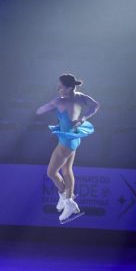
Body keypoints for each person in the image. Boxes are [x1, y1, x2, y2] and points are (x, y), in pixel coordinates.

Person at [36, 73, 99, 223]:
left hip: (65, 142)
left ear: (69, 87)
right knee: (66, 170)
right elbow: (96, 106)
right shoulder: (81, 96)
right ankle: (68, 199)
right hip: (73, 139)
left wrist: (49, 105)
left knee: (51, 172)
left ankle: (67, 199)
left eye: (60, 87)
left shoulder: (59, 101)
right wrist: (84, 117)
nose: (58, 89)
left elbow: (39, 111)